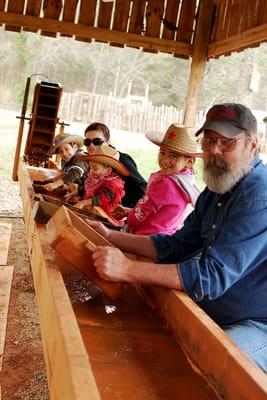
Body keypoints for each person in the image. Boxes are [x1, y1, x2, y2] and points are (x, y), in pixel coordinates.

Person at [88, 103, 267, 372]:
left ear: (252, 145)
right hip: (214, 310)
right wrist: (111, 235)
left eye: (227, 142)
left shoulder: (257, 196)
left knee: (213, 360)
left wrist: (127, 269)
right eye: (209, 141)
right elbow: (176, 245)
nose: (215, 151)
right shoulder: (218, 189)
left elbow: (212, 276)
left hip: (256, 324)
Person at [116, 124, 200, 235]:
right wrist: (129, 211)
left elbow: (142, 212)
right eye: (162, 153)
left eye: (174, 156)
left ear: (189, 161)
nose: (165, 160)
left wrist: (129, 221)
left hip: (145, 237)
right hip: (164, 236)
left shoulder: (166, 183)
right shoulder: (185, 181)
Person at [80, 122, 147, 207]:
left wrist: (122, 207)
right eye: (87, 142)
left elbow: (142, 188)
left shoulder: (122, 160)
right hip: (95, 207)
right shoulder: (92, 158)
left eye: (97, 141)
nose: (91, 145)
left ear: (107, 142)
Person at [73, 144, 129, 223]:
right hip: (94, 212)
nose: (91, 171)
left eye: (95, 168)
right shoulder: (96, 177)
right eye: (90, 168)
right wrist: (74, 193)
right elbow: (87, 189)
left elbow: (102, 198)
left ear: (108, 170)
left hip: (105, 218)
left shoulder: (113, 184)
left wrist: (84, 202)